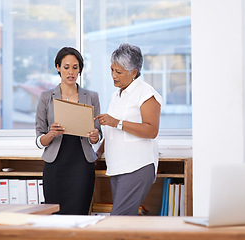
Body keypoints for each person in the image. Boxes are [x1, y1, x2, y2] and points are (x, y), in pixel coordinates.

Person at [95, 43, 162, 215]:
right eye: (111, 70)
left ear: (133, 72)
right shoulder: (116, 95)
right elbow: (113, 131)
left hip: (137, 166)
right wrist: (97, 153)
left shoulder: (146, 93)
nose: (113, 76)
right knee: (124, 222)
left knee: (117, 220)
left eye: (118, 72)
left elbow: (151, 130)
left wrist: (116, 122)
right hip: (117, 167)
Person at [35, 47, 101, 215]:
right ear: (58, 67)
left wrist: (95, 136)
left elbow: (97, 135)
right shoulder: (46, 97)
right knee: (55, 215)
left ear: (80, 69)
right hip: (56, 165)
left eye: (75, 67)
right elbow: (39, 140)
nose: (71, 72)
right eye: (66, 67)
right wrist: (51, 133)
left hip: (82, 164)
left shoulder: (91, 96)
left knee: (79, 214)